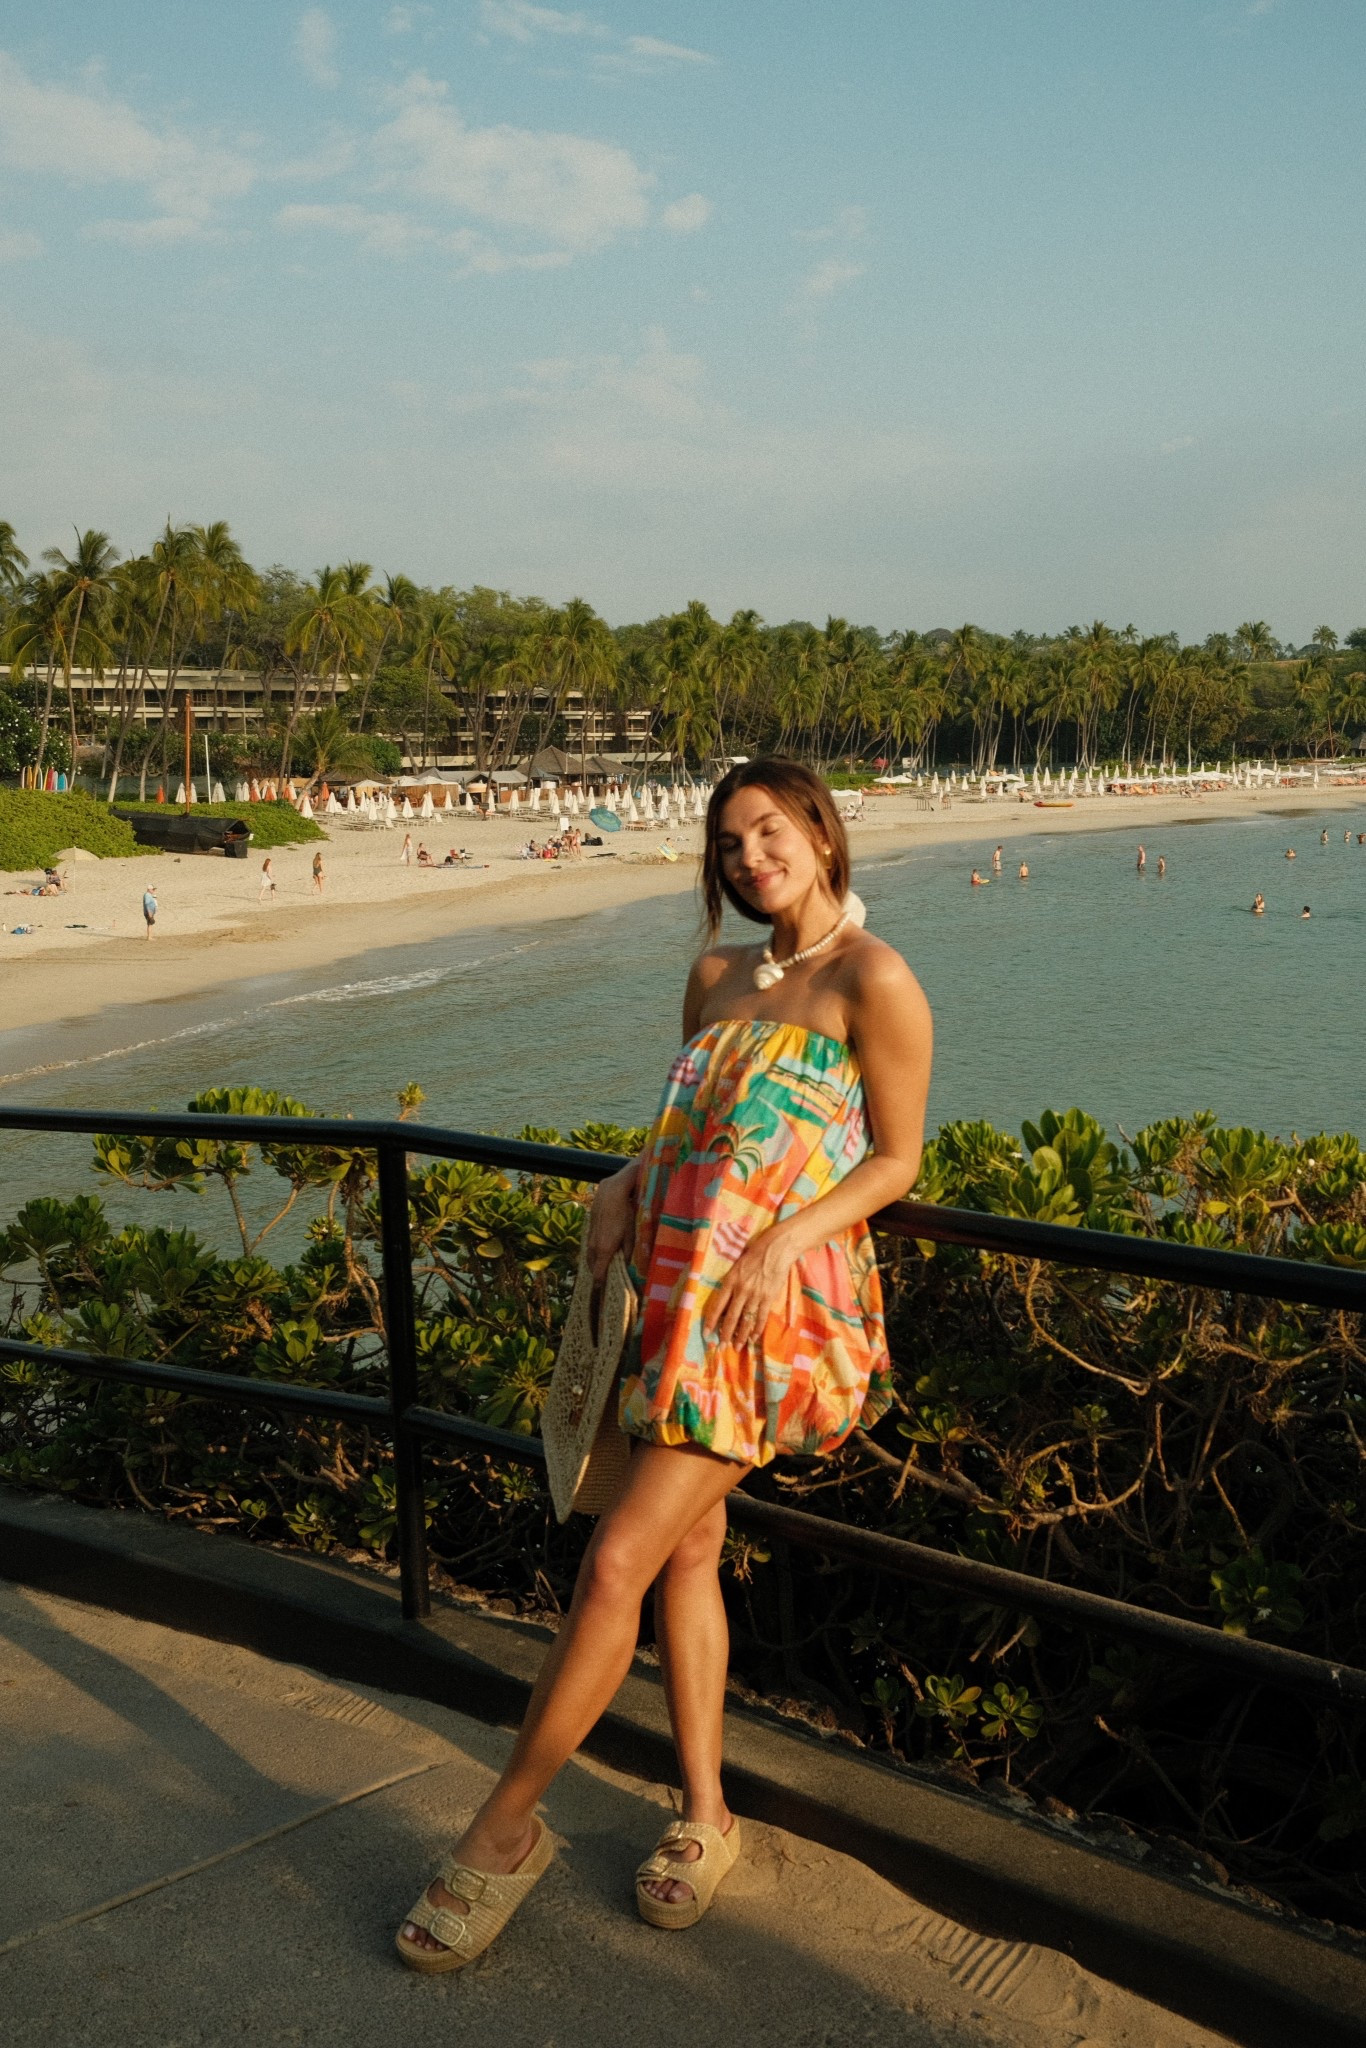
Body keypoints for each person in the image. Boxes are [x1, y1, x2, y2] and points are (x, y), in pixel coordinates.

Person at [395, 757, 933, 1974]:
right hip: (678, 1295)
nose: (751, 856)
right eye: (730, 842)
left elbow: (895, 1159)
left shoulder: (875, 978)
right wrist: (628, 1178)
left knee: (620, 1554)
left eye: (769, 829)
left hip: (764, 1316)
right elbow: (692, 1124)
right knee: (685, 1548)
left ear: (818, 829)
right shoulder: (713, 977)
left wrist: (791, 1235)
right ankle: (705, 1813)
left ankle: (502, 1828)